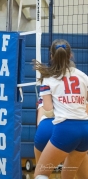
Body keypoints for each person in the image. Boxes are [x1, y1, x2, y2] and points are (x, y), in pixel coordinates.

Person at [33, 39, 88, 179]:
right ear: (71, 55)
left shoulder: (49, 78)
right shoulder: (84, 77)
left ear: (51, 56)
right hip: (85, 129)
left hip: (64, 129)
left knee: (41, 173)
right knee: (67, 175)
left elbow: (48, 109)